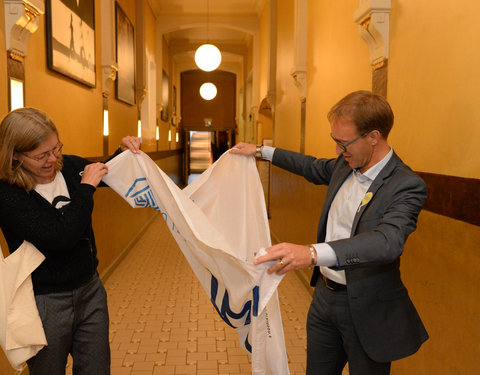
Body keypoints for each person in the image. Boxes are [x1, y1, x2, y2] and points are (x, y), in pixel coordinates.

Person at [230, 90, 428, 375]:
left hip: (368, 308)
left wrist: (312, 253)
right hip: (325, 300)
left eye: (343, 142)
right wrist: (260, 151)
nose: (337, 150)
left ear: (373, 137)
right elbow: (309, 166)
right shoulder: (344, 166)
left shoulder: (406, 185)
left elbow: (388, 242)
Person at [0, 107, 141, 375]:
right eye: (41, 155)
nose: (52, 159)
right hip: (44, 300)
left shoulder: (70, 167)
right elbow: (61, 237)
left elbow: (108, 175)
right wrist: (86, 188)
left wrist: (122, 153)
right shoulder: (9, 195)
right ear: (15, 156)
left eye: (56, 149)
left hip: (90, 289)